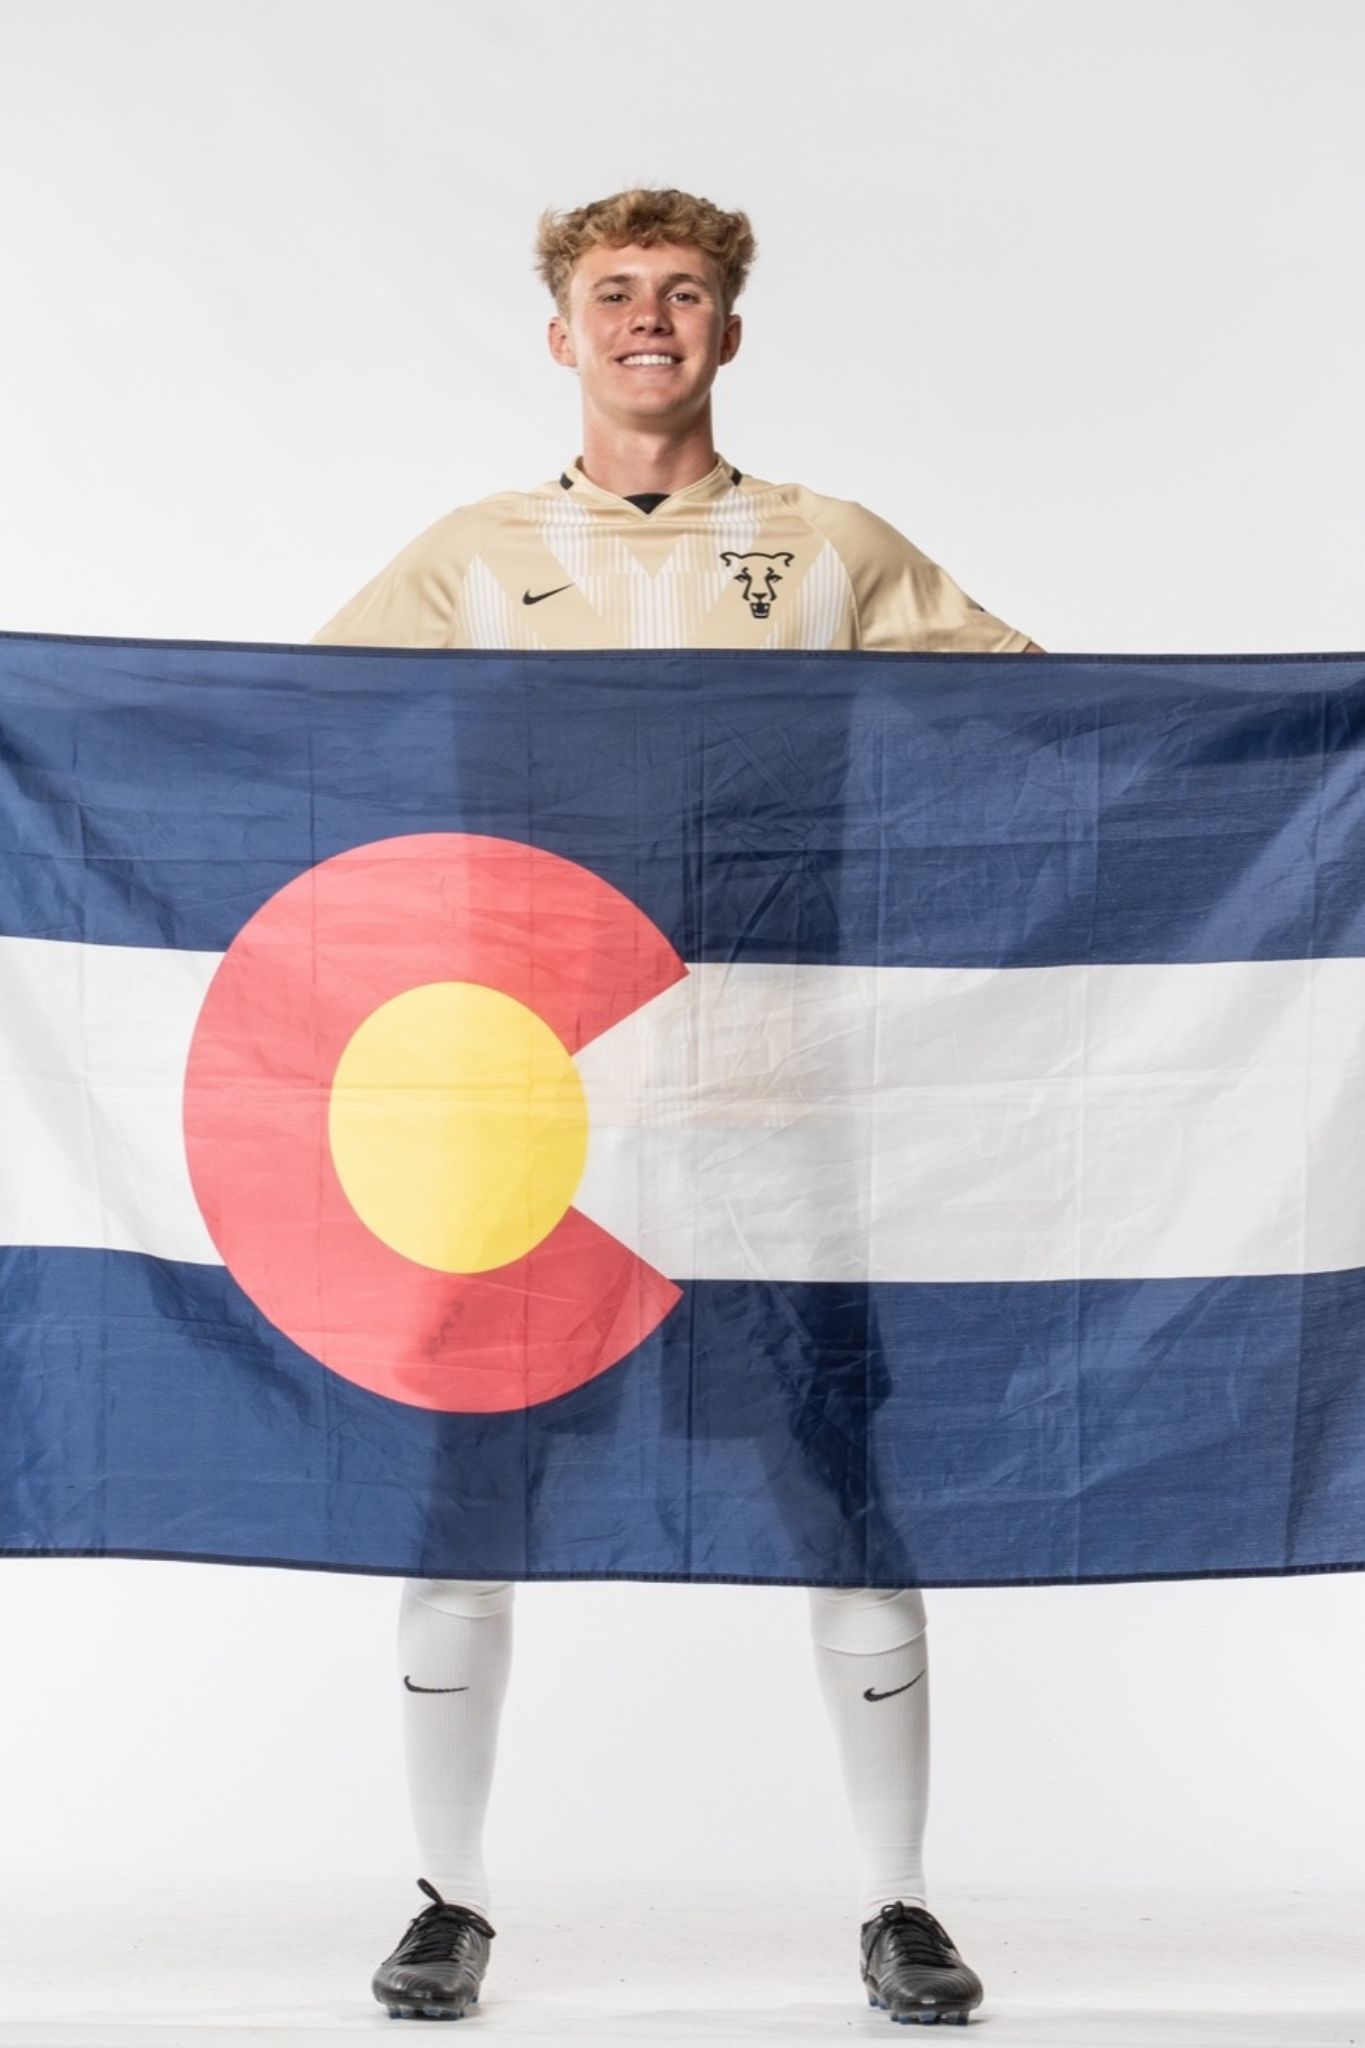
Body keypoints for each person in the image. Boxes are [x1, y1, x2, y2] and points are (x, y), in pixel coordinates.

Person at [312, 185, 1044, 2028]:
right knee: (469, 1495)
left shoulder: (829, 548)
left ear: (730, 332)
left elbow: (1050, 710)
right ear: (561, 336)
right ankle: (444, 1899)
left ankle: (897, 1907)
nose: (652, 318)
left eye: (687, 292)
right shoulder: (470, 553)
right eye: (615, 293)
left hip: (769, 1084)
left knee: (840, 1491)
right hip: (524, 1104)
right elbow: (276, 727)